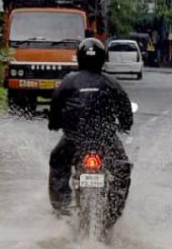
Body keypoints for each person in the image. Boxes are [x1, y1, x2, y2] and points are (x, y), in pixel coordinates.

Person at [48, 39, 134, 230]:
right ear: (103, 59)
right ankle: (113, 213)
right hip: (106, 141)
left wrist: (53, 124)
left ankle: (62, 212)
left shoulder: (68, 82)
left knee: (57, 162)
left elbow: (55, 107)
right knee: (122, 168)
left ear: (79, 58)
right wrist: (125, 125)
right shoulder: (112, 83)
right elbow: (126, 112)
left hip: (73, 141)